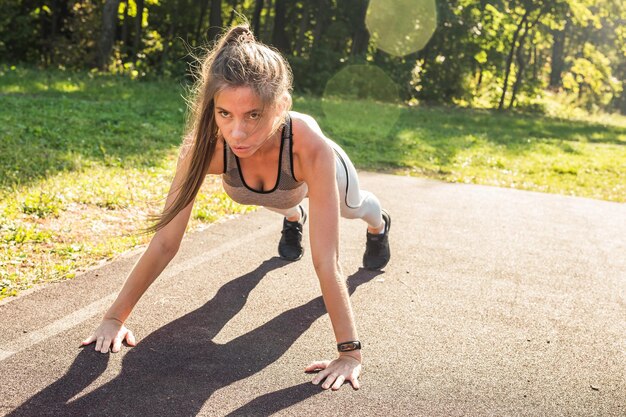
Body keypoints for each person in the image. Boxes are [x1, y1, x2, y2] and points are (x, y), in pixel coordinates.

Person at [81, 24, 391, 391]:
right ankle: (292, 216)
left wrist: (349, 353)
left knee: (353, 207)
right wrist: (115, 318)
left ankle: (379, 224)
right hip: (267, 193)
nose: (237, 132)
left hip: (313, 181)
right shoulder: (204, 149)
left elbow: (327, 260)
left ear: (282, 107)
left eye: (254, 115)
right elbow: (166, 242)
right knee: (276, 200)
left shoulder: (310, 147)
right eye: (224, 114)